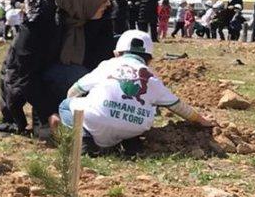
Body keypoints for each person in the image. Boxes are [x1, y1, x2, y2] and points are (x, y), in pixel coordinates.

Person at [0, 0, 113, 135]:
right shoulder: (39, 22)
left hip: (79, 87)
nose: (108, 4)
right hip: (41, 85)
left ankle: (75, 114)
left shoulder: (100, 18)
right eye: (102, 0)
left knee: (83, 76)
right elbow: (21, 74)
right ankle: (43, 115)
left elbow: (105, 65)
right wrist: (48, 112)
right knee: (72, 74)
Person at [57, 29, 212, 151]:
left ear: (117, 53)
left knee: (65, 105)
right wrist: (202, 121)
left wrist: (83, 100)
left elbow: (75, 90)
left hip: (97, 121)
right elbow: (178, 107)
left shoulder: (107, 65)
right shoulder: (152, 78)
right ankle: (131, 142)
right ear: (150, 59)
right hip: (135, 127)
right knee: (145, 109)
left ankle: (85, 140)